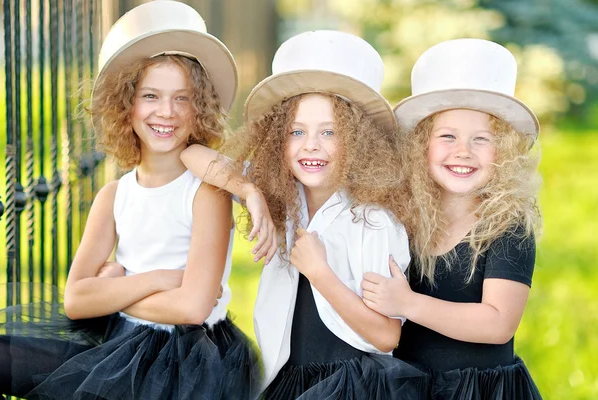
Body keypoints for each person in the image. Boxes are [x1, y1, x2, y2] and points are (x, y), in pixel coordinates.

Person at [0, 2, 259, 399]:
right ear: (127, 106)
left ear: (200, 108)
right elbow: (75, 301)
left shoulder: (206, 192)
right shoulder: (114, 195)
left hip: (187, 360)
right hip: (119, 342)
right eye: (150, 95)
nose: (166, 112)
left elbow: (192, 308)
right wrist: (155, 281)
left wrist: (114, 294)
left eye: (182, 98)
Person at [181, 30, 426, 399]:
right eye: (297, 131)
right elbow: (192, 155)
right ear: (278, 139)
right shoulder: (281, 199)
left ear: (358, 141)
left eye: (330, 132)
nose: (311, 145)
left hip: (352, 383)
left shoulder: (373, 220)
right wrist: (248, 190)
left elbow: (386, 334)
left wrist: (320, 273)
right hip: (288, 378)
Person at [362, 38, 543, 399]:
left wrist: (408, 303)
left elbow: (498, 323)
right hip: (407, 386)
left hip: (480, 390)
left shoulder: (507, 225)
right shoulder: (402, 220)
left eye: (481, 139)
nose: (463, 151)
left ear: (504, 152)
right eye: (447, 136)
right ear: (420, 147)